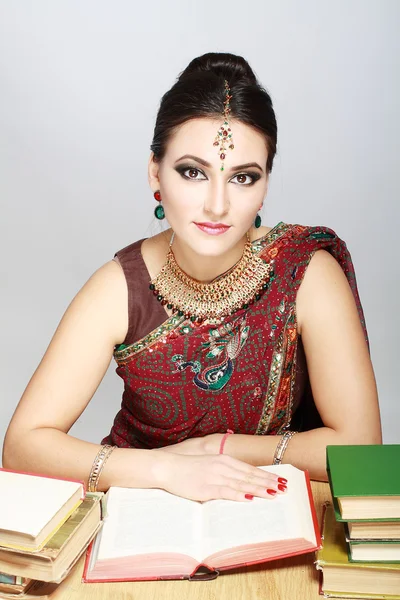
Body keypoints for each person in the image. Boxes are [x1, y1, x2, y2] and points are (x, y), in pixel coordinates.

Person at [2, 52, 381, 503]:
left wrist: (218, 449)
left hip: (269, 509)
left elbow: (359, 448)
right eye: (193, 172)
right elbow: (23, 445)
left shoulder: (305, 271)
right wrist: (167, 469)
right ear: (155, 174)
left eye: (243, 178)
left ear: (264, 188)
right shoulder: (119, 287)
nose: (217, 205)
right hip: (140, 511)